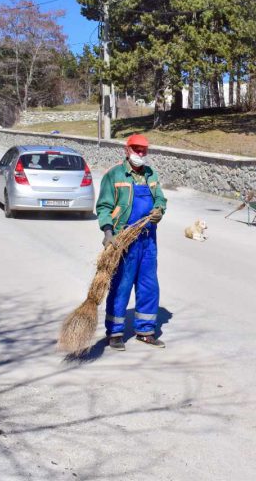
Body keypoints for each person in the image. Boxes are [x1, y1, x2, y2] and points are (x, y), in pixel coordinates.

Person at [96, 134, 167, 350]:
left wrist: (159, 210)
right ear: (127, 151)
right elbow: (104, 207)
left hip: (147, 241)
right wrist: (108, 232)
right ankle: (115, 332)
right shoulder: (114, 174)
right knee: (121, 285)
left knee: (149, 285)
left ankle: (145, 331)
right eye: (137, 149)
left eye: (144, 150)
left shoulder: (150, 174)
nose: (141, 154)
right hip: (123, 241)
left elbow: (160, 198)